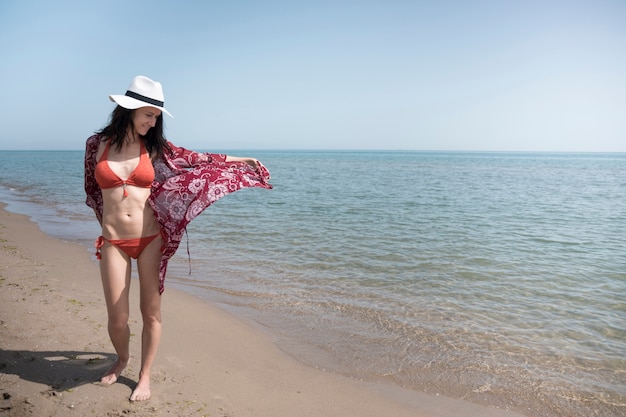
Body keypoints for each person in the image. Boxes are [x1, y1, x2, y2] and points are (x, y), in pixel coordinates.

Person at [84, 75, 272, 402]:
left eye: (156, 116)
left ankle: (144, 376)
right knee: (118, 318)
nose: (153, 121)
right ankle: (122, 358)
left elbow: (200, 160)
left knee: (151, 312)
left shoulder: (157, 148)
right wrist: (106, 228)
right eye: (149, 114)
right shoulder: (96, 144)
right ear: (130, 109)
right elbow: (92, 189)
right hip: (114, 241)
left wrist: (242, 161)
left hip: (149, 239)